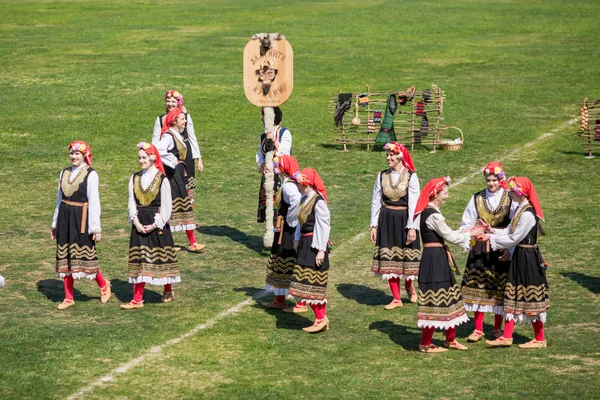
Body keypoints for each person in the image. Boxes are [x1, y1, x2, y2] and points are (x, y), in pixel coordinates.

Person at [413, 176, 483, 353]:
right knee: (436, 298)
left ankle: (450, 339)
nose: (447, 196)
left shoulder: (430, 212)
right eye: (445, 193)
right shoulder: (432, 215)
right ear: (435, 194)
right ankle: (426, 343)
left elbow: (447, 233)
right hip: (434, 259)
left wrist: (466, 231)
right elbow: (449, 236)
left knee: (449, 295)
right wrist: (472, 234)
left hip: (437, 257)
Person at [484, 177, 549, 348]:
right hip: (520, 256)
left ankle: (540, 339)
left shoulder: (527, 213)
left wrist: (491, 239)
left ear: (520, 192)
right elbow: (508, 231)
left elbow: (514, 237)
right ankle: (507, 336)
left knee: (530, 295)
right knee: (512, 292)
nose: (510, 193)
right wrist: (492, 231)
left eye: (512, 190)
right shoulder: (521, 209)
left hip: (527, 258)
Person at [460, 162, 517, 342]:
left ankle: (497, 327)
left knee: (498, 287)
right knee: (479, 287)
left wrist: (510, 249)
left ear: (501, 180)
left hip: (500, 246)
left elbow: (515, 227)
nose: (491, 183)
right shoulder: (477, 198)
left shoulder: (509, 198)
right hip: (480, 248)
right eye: (488, 180)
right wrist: (474, 231)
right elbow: (466, 222)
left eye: (494, 180)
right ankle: (478, 329)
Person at [50, 141, 111, 310]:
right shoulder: (63, 173)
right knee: (66, 257)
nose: (74, 156)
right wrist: (54, 223)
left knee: (86, 256)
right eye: (72, 153)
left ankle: (103, 285)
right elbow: (58, 200)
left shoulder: (91, 174)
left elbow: (94, 202)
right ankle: (69, 297)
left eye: (77, 154)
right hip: (65, 217)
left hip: (81, 219)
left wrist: (96, 228)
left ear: (84, 155)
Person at [121, 143, 179, 309]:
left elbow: (167, 206)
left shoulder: (162, 179)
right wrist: (136, 221)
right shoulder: (134, 178)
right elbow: (131, 202)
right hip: (140, 221)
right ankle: (137, 299)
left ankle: (167, 289)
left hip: (156, 221)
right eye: (139, 158)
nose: (141, 161)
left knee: (161, 257)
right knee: (140, 259)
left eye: (144, 158)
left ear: (153, 158)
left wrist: (155, 224)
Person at [370, 142, 421, 309]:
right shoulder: (381, 176)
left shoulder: (411, 176)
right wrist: (373, 225)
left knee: (406, 256)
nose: (388, 157)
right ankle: (396, 298)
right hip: (386, 219)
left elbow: (414, 204)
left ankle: (408, 285)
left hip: (404, 219)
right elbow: (376, 201)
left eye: (392, 155)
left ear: (400, 157)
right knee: (389, 258)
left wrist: (412, 227)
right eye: (387, 155)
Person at [156, 106, 205, 252]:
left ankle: (186, 242)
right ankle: (184, 243)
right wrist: (172, 161)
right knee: (176, 205)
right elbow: (157, 149)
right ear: (174, 120)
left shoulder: (176, 134)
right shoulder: (168, 136)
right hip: (172, 175)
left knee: (181, 205)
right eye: (182, 119)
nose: (185, 122)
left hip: (178, 174)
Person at [261, 155, 306, 312]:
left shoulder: (289, 186)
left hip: (289, 230)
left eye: (278, 165)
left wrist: (291, 220)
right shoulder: (288, 184)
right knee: (282, 261)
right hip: (285, 229)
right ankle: (279, 299)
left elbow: (295, 200)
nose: (276, 167)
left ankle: (300, 303)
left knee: (288, 260)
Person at [288, 168, 331, 333]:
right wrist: (297, 239)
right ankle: (322, 318)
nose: (297, 185)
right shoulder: (304, 199)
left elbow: (324, 226)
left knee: (311, 283)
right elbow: (300, 221)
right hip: (305, 243)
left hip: (315, 244)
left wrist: (321, 250)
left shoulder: (318, 201)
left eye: (299, 182)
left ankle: (320, 319)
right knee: (306, 283)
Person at [152, 90, 203, 201]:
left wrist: (198, 158)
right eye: (168, 101)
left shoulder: (186, 117)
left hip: (186, 153)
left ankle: (188, 204)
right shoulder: (160, 119)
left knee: (187, 181)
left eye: (173, 101)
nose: (170, 104)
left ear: (178, 102)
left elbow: (192, 137)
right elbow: (155, 141)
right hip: (170, 152)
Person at [256, 106, 292, 223]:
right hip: (268, 176)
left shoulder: (284, 133)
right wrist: (262, 165)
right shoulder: (263, 136)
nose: (262, 120)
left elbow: (285, 152)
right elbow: (259, 155)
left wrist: (275, 140)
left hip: (281, 176)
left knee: (281, 208)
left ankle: (281, 239)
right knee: (269, 211)